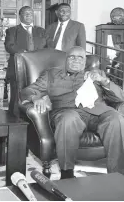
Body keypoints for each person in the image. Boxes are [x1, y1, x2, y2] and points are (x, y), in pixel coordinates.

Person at [20, 46, 124, 179]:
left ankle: (118, 175)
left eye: (80, 57)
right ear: (66, 59)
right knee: (68, 119)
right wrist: (35, 98)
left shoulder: (96, 74)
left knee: (116, 118)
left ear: (85, 61)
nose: (76, 60)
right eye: (72, 57)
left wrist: (104, 81)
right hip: (67, 111)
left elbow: (120, 97)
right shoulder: (51, 74)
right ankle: (67, 173)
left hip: (98, 112)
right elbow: (27, 91)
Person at [4, 6, 47, 116]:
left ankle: (35, 118)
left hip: (38, 69)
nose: (29, 15)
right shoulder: (12, 31)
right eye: (25, 13)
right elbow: (10, 46)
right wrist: (27, 54)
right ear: (20, 16)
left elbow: (47, 47)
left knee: (36, 93)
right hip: (18, 68)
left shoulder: (41, 31)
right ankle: (15, 119)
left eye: (31, 13)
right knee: (17, 95)